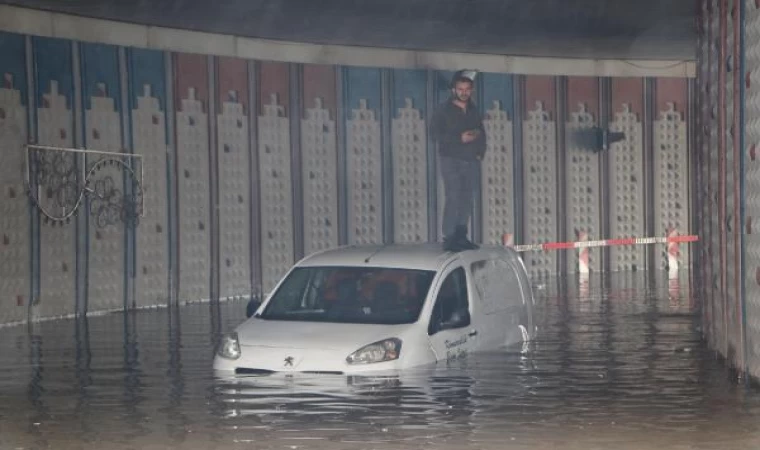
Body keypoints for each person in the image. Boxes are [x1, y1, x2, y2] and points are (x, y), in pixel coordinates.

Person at [430, 70, 486, 251]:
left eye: (467, 89)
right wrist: (459, 138)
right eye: (460, 89)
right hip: (451, 159)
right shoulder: (443, 110)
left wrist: (480, 152)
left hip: (471, 160)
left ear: (471, 90)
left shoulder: (473, 109)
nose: (464, 92)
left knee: (467, 198)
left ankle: (462, 235)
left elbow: (481, 131)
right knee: (453, 196)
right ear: (454, 90)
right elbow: (434, 134)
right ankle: (450, 237)